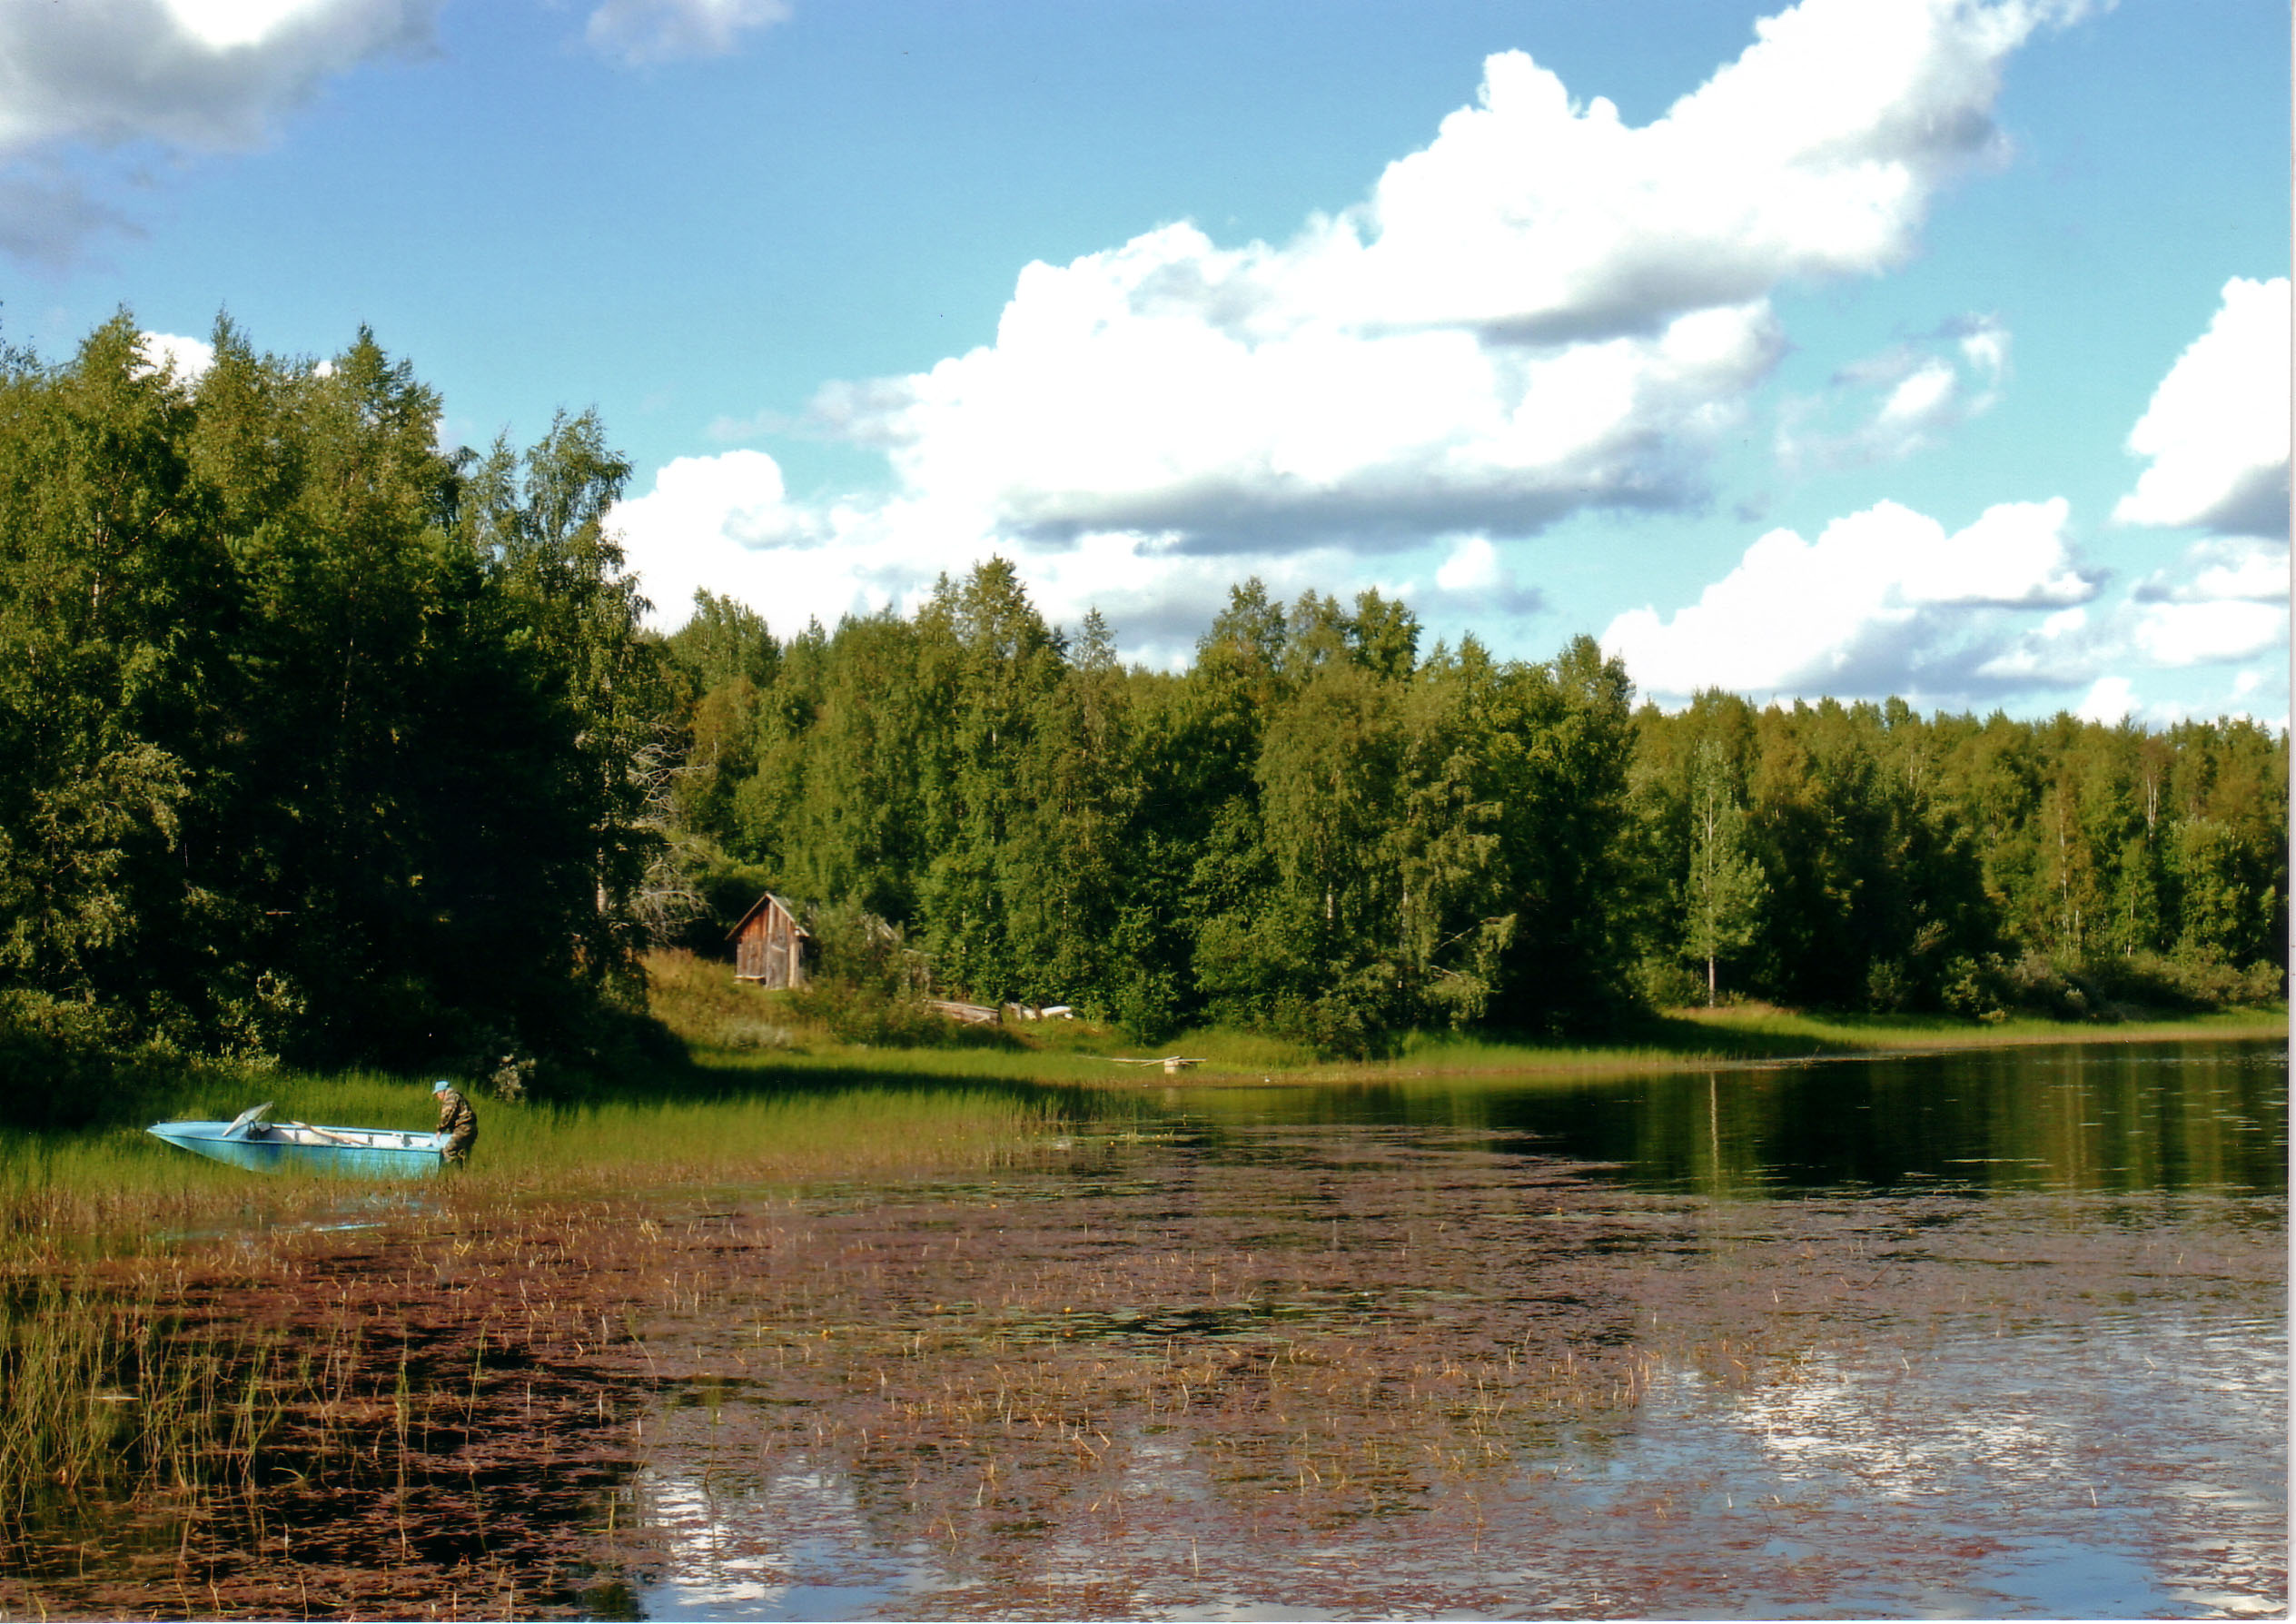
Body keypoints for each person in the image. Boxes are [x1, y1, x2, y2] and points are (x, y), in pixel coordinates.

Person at [433, 1078, 478, 1167]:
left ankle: (449, 1172)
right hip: (471, 1128)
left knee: (449, 1151)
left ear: (442, 1092)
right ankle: (462, 1174)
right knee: (462, 1153)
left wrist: (440, 1129)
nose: (438, 1097)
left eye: (437, 1093)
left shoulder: (450, 1097)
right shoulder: (458, 1095)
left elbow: (448, 1114)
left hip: (463, 1128)